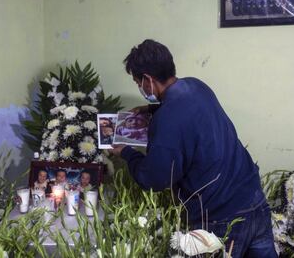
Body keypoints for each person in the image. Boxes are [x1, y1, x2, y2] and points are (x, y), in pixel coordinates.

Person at [109, 39, 277, 258]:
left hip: (221, 217)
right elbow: (188, 112)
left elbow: (155, 178)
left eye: (137, 82)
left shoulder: (167, 119)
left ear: (148, 80)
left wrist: (126, 153)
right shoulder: (196, 85)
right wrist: (151, 110)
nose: (139, 88)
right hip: (254, 201)